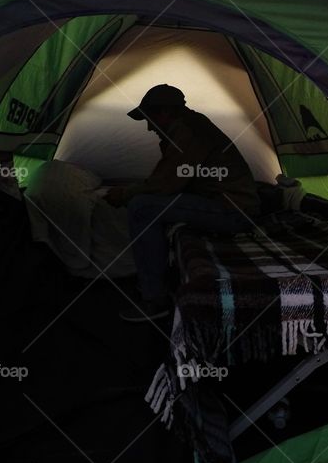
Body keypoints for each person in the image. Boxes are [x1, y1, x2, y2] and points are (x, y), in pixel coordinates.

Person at [104, 84, 260, 322]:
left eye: (150, 119)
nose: (148, 127)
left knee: (141, 207)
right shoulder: (187, 127)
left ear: (166, 113)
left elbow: (165, 183)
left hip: (233, 210)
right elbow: (167, 178)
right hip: (225, 202)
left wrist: (123, 194)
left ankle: (155, 299)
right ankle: (154, 284)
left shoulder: (187, 131)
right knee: (145, 201)